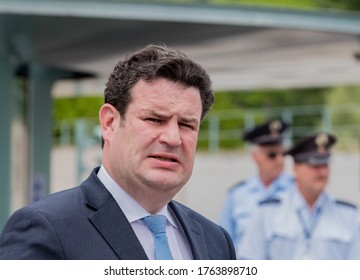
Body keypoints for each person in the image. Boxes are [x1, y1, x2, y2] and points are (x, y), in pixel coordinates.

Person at [0, 44, 236, 260]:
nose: (173, 138)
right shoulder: (46, 229)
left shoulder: (216, 241)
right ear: (109, 123)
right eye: (154, 119)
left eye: (186, 125)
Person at [238, 132, 360, 259]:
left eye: (325, 165)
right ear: (296, 168)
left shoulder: (348, 215)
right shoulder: (267, 212)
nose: (322, 172)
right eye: (315, 165)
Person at [218, 119, 294, 253]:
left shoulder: (298, 190)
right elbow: (223, 242)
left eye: (283, 153)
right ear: (255, 156)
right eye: (272, 155)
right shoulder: (237, 194)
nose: (280, 160)